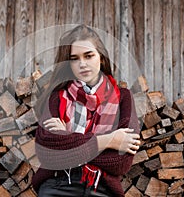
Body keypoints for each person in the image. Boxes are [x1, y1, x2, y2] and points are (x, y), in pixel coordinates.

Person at [32, 24, 140, 197]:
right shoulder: (57, 98)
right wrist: (109, 140)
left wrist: (67, 145)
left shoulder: (123, 98)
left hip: (102, 189)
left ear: (101, 58)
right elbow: (48, 155)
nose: (82, 64)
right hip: (57, 186)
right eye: (74, 58)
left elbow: (121, 162)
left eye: (89, 56)